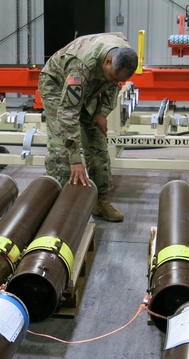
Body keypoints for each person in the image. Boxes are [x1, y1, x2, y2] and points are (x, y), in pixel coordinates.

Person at [39, 33, 138, 223]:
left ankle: (100, 201)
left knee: (98, 144)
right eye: (112, 77)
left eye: (118, 80)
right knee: (62, 149)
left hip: (91, 83)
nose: (115, 82)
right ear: (108, 61)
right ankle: (60, 206)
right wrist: (76, 159)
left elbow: (112, 84)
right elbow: (68, 112)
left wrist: (102, 113)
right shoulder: (81, 67)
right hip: (55, 83)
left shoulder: (120, 57)